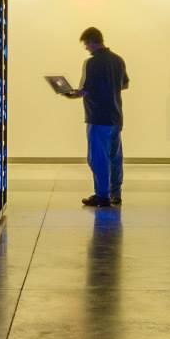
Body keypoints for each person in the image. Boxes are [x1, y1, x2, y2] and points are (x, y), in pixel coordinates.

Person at [62, 26, 129, 207]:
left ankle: (102, 196)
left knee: (98, 158)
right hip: (115, 117)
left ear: (92, 41)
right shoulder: (118, 60)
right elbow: (124, 85)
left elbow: (86, 90)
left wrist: (71, 94)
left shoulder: (92, 63)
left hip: (98, 117)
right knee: (115, 157)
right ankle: (116, 194)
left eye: (86, 44)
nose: (86, 48)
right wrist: (109, 87)